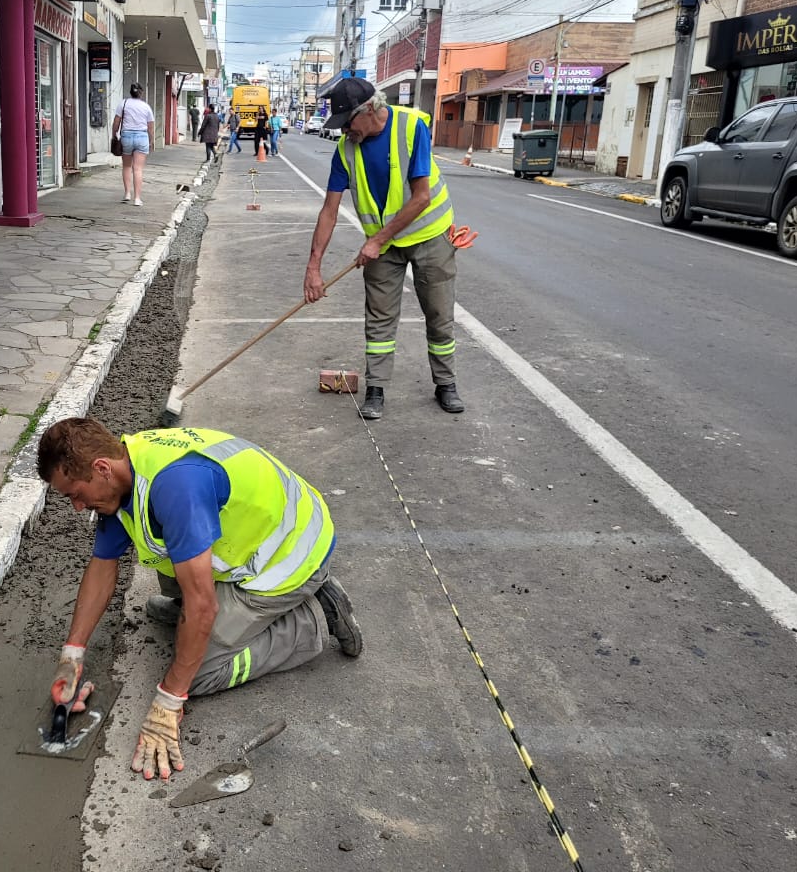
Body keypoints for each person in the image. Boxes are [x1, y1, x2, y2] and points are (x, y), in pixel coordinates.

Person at [38, 418, 362, 781]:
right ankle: (196, 619)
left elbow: (202, 606)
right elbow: (102, 566)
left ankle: (313, 616)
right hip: (247, 542)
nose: (77, 507)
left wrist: (169, 700)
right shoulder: (125, 470)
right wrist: (72, 655)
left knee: (199, 673)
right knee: (176, 566)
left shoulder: (176, 487)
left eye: (75, 494)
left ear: (100, 469)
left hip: (288, 559)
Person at [302, 78, 475, 420]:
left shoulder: (411, 128)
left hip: (429, 237)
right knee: (379, 319)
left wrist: (377, 240)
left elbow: (421, 197)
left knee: (439, 316)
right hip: (383, 247)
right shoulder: (346, 150)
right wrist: (313, 267)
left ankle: (446, 384)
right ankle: (376, 389)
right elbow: (330, 210)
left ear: (369, 111)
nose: (343, 132)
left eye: (347, 124)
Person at [112, 83, 156, 207]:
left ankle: (127, 194)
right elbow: (150, 127)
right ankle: (137, 198)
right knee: (138, 169)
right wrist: (151, 141)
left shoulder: (123, 103)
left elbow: (116, 122)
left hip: (126, 136)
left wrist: (114, 134)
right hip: (142, 137)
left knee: (126, 166)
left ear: (130, 92)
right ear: (141, 93)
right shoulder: (146, 107)